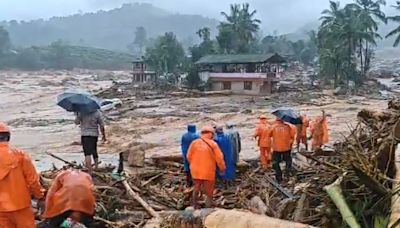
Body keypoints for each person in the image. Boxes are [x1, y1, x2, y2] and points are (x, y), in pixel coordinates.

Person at [0, 122, 44, 228]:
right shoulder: (20, 155)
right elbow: (33, 180)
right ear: (8, 137)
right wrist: (39, 196)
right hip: (21, 205)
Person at [187, 126, 226, 208]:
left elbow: (188, 156)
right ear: (211, 134)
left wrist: (193, 164)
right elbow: (219, 159)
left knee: (196, 187)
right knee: (209, 192)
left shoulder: (194, 143)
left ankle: (195, 205)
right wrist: (222, 168)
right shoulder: (213, 144)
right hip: (208, 171)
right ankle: (207, 209)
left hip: (195, 171)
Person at [268, 118, 297, 183]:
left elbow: (269, 134)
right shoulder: (289, 127)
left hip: (277, 148)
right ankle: (287, 174)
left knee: (275, 162)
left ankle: (279, 177)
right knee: (288, 161)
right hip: (286, 147)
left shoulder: (273, 127)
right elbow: (293, 136)